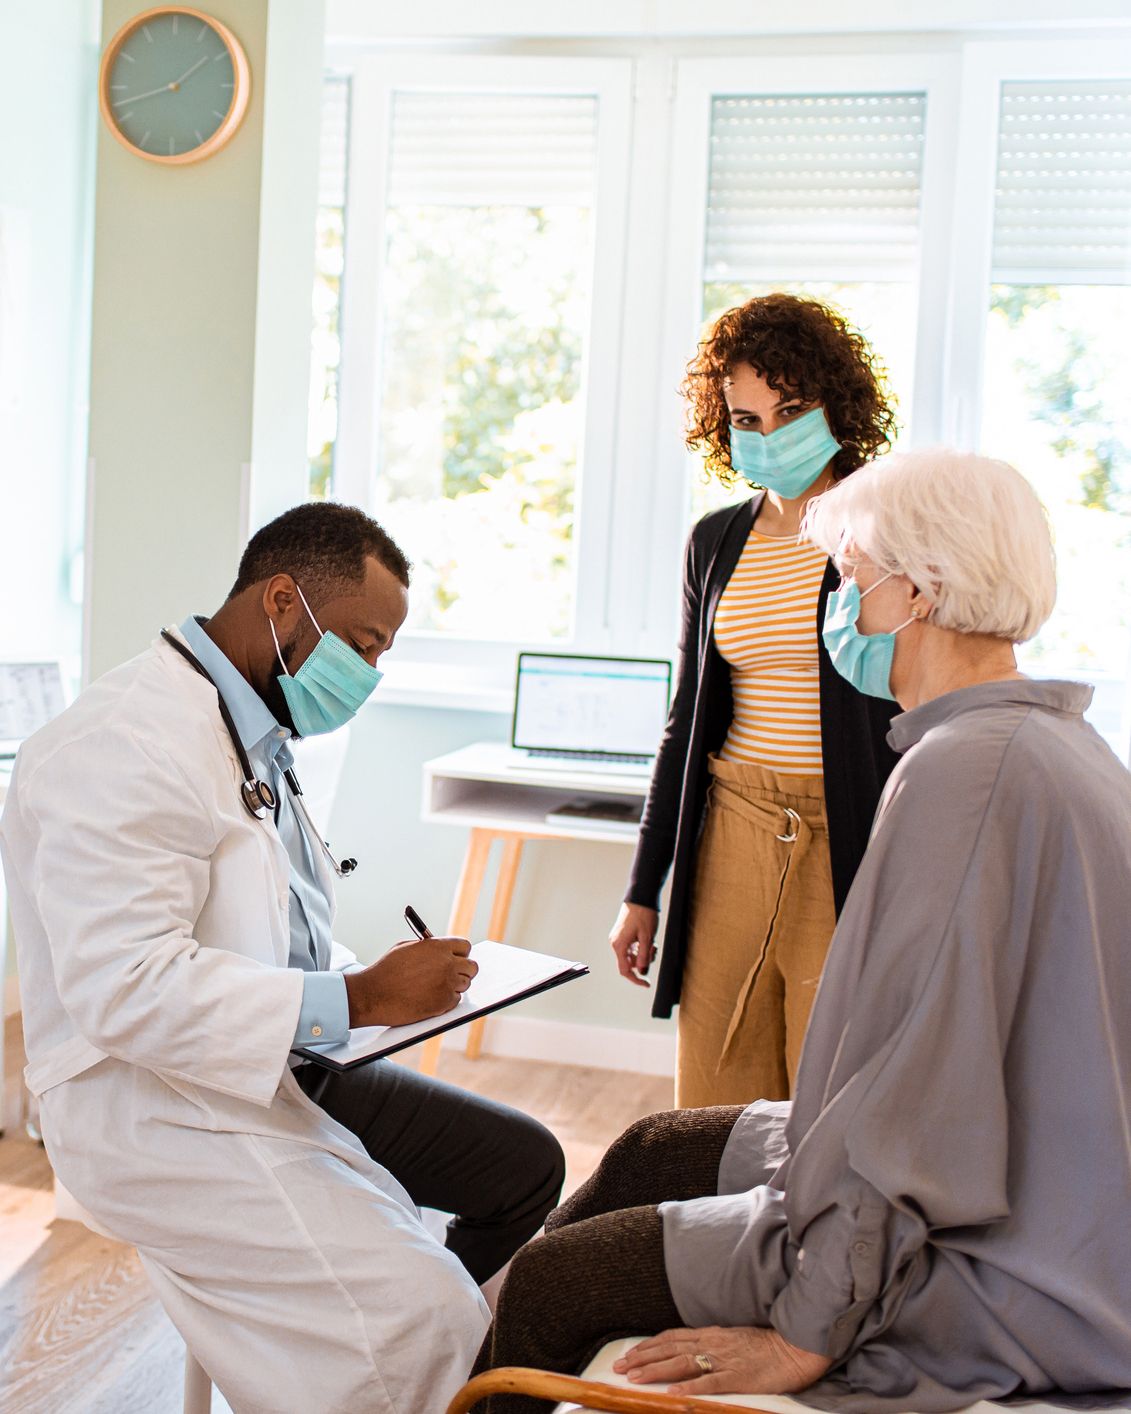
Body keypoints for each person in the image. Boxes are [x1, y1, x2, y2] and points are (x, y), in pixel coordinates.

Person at [472, 449, 1131, 1413]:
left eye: (851, 578)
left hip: (1007, 1258)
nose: (839, 605)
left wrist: (801, 1331)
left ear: (919, 590)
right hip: (1033, 1183)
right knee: (653, 1145)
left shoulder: (964, 775)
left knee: (554, 1284)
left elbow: (907, 1107)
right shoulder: (1052, 742)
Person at [0, 502, 565, 1414]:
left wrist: (363, 981)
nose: (370, 674)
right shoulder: (124, 743)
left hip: (272, 1065)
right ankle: (412, 1355)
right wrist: (360, 996)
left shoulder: (250, 725)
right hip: (148, 1102)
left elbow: (266, 925)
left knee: (522, 1170)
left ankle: (413, 1352)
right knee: (417, 1311)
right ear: (281, 601)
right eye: (363, 644)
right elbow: (124, 989)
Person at [609, 293, 902, 1108]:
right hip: (732, 829)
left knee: (829, 1081)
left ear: (836, 404)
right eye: (747, 417)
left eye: (792, 410)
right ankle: (717, 1235)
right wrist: (642, 888)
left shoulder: (887, 528)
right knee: (715, 1078)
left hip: (847, 833)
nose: (770, 436)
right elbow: (685, 724)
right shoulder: (715, 541)